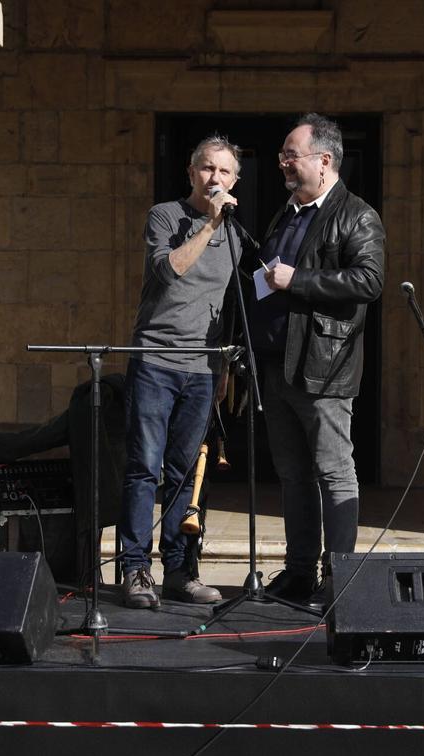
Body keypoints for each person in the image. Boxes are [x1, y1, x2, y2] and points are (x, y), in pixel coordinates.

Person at [252, 113, 385, 611]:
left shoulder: (357, 215)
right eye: (284, 155)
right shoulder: (285, 213)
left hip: (324, 366)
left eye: (292, 155)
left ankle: (341, 578)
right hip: (276, 364)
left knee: (333, 471)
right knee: (292, 473)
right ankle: (300, 571)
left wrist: (297, 280)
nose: (283, 163)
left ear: (324, 161)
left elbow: (369, 282)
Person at [117, 135, 241, 608]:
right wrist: (208, 225)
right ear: (191, 172)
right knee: (143, 469)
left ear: (235, 181)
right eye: (208, 169)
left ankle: (180, 570)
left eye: (225, 172)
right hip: (156, 361)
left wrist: (226, 363)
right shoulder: (165, 216)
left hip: (204, 367)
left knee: (186, 474)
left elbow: (228, 302)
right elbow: (170, 272)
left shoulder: (235, 233)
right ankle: (134, 569)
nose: (215, 178)